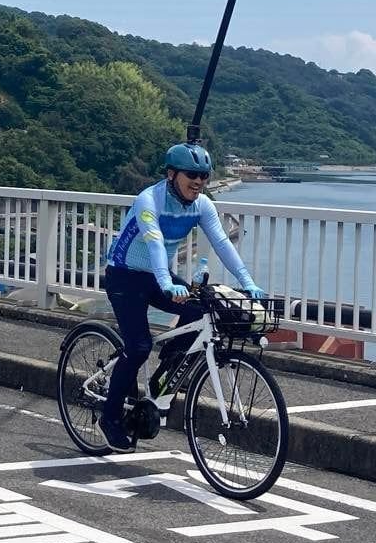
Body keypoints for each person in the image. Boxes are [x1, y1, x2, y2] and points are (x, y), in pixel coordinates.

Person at [98, 141, 264, 449]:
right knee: (138, 347)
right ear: (172, 174)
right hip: (125, 275)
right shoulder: (149, 200)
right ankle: (109, 418)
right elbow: (154, 242)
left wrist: (248, 281)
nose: (199, 181)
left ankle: (166, 373)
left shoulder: (203, 205)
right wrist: (166, 282)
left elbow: (222, 243)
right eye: (192, 174)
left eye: (204, 175)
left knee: (199, 312)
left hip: (158, 276)